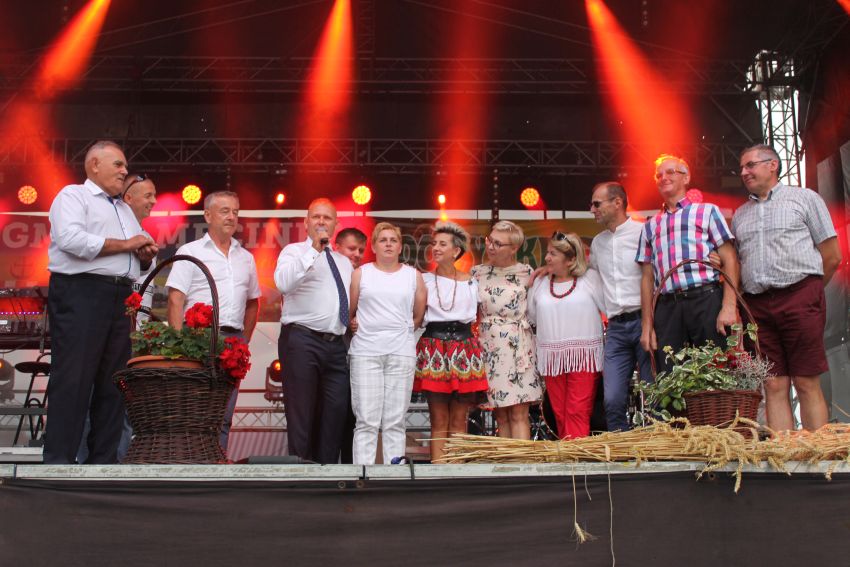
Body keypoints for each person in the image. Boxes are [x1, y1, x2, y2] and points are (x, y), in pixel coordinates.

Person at [45, 140, 158, 464]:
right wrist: (128, 244)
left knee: (114, 382)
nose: (124, 171)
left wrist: (145, 256)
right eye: (118, 165)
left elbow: (137, 262)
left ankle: (103, 462)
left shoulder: (123, 209)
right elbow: (71, 240)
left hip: (121, 295)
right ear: (94, 164)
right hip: (82, 292)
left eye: (125, 166)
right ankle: (59, 462)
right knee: (74, 378)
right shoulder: (73, 196)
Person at [732, 144, 842, 431]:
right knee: (772, 383)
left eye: (750, 165)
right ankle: (784, 452)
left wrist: (810, 293)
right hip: (757, 305)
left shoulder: (805, 198)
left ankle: (815, 451)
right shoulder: (740, 214)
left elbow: (832, 255)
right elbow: (739, 262)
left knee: (805, 380)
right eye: (742, 167)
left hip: (800, 295)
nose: (744, 172)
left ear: (773, 165)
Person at [166, 190, 260, 452]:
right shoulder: (190, 251)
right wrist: (179, 345)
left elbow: (253, 303)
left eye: (235, 212)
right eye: (224, 211)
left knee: (224, 413)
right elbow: (175, 299)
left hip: (233, 341)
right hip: (197, 339)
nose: (231, 217)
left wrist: (243, 341)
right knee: (193, 410)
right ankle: (188, 463)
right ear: (208, 215)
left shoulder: (246, 257)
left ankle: (216, 464)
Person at [76, 173, 158, 464]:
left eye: (154, 195)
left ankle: (116, 463)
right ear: (128, 198)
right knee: (92, 396)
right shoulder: (110, 235)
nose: (153, 201)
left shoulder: (146, 237)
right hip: (105, 326)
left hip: (135, 335)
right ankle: (82, 463)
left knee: (124, 403)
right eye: (147, 195)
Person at [637, 154, 740, 373]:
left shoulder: (707, 211)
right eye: (659, 175)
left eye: (670, 172)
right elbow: (646, 278)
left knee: (715, 372)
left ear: (686, 178)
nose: (663, 177)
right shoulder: (650, 225)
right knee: (670, 376)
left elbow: (730, 258)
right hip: (667, 306)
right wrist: (647, 325)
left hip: (706, 299)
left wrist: (729, 306)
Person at [274, 198, 353, 464]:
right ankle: (301, 471)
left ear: (336, 224)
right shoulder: (293, 251)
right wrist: (314, 251)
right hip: (302, 339)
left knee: (335, 411)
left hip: (336, 344)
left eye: (327, 218)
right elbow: (283, 283)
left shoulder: (343, 262)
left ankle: (326, 471)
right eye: (316, 217)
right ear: (306, 222)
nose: (321, 221)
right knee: (302, 411)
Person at [348, 222, 426, 464]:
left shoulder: (413, 276)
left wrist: (399, 331)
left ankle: (394, 475)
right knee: (366, 420)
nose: (389, 244)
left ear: (401, 246)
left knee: (395, 420)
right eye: (383, 240)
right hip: (366, 352)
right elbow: (350, 311)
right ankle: (363, 474)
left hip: (400, 352)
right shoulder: (361, 273)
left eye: (393, 240)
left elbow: (418, 316)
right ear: (373, 246)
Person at [414, 221, 488, 462]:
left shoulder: (472, 282)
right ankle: (438, 472)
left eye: (442, 244)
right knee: (438, 419)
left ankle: (456, 472)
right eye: (434, 243)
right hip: (434, 347)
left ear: (456, 251)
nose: (435, 248)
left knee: (459, 419)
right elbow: (413, 315)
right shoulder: (423, 279)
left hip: (464, 349)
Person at [589, 182, 652, 432]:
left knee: (653, 393)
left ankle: (659, 445)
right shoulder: (598, 242)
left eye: (597, 204)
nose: (592, 209)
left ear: (617, 203)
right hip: (616, 327)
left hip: (645, 320)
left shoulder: (643, 232)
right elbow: (588, 276)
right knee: (612, 398)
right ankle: (619, 446)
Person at [528, 232, 605, 439]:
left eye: (553, 254)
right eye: (547, 253)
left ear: (571, 259)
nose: (546, 258)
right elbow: (532, 316)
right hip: (552, 358)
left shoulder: (590, 279)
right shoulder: (541, 282)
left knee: (576, 410)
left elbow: (608, 307)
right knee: (560, 413)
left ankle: (575, 455)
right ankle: (568, 454)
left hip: (583, 356)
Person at [470, 220, 542, 439]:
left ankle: (522, 460)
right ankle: (506, 459)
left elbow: (536, 310)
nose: (491, 247)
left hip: (519, 345)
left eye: (498, 244)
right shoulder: (477, 273)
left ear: (514, 248)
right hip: (490, 346)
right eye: (489, 241)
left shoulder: (527, 272)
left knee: (519, 411)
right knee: (500, 413)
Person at [334, 226, 367, 464]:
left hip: (357, 356)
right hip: (331, 351)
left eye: (361, 250)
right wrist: (347, 323)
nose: (357, 254)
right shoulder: (328, 276)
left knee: (353, 415)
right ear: (337, 248)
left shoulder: (366, 277)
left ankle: (351, 467)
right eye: (351, 248)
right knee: (331, 412)